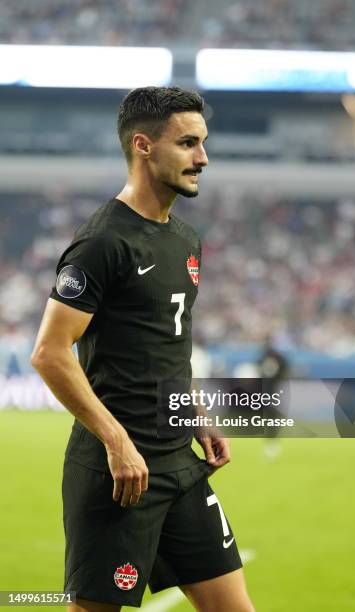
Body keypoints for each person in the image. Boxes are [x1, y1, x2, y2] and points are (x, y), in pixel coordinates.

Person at [31, 86, 254, 612]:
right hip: (119, 476)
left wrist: (195, 414)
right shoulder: (103, 242)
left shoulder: (185, 238)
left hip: (180, 465)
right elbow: (49, 351)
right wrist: (116, 441)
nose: (203, 158)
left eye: (203, 143)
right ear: (143, 146)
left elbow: (164, 346)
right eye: (188, 144)